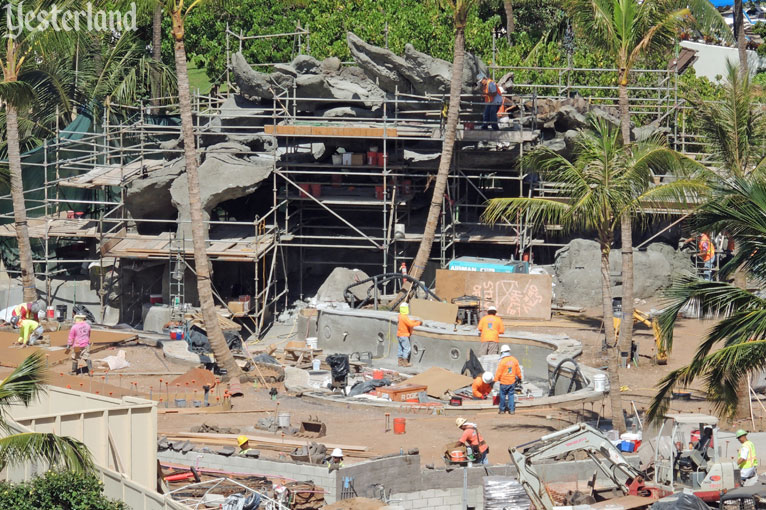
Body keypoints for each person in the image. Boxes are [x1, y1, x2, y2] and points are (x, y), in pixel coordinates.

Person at [495, 344, 522, 415]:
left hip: (503, 382)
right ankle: (512, 410)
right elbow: (518, 371)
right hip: (512, 382)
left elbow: (499, 372)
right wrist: (520, 377)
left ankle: (502, 410)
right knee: (511, 396)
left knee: (502, 396)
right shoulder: (514, 360)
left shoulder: (502, 361)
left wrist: (495, 379)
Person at [397, 303, 421, 367]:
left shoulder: (400, 316)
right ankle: (405, 362)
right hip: (404, 335)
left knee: (400, 348)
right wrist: (418, 323)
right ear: (406, 309)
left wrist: (414, 321)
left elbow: (408, 322)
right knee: (407, 348)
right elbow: (410, 324)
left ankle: (400, 362)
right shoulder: (404, 317)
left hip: (399, 334)